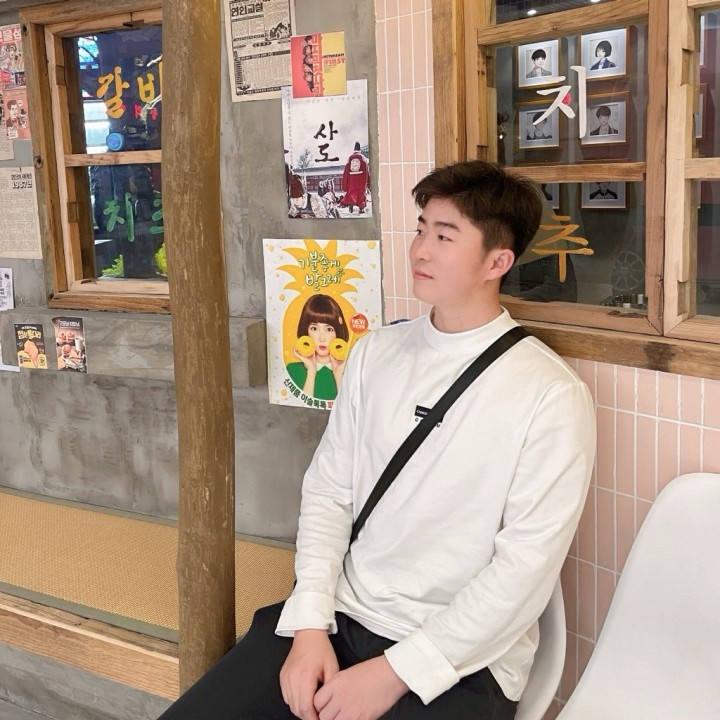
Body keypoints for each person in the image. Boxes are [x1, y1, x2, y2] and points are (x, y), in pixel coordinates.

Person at [157, 160, 595, 720]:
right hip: (342, 617)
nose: (420, 250)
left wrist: (395, 673)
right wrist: (310, 623)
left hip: (457, 660)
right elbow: (328, 493)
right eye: (420, 229)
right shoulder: (374, 354)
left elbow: (524, 573)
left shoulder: (550, 394)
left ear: (497, 262)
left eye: (445, 236)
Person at [286, 293, 349, 400]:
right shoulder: (292, 370)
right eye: (314, 329)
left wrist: (339, 375)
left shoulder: (351, 370)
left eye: (329, 329)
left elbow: (347, 407)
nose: (322, 338)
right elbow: (300, 406)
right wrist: (311, 371)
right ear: (306, 331)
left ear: (338, 332)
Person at [339, 142, 370, 214]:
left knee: (351, 192)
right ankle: (361, 209)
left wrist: (345, 182)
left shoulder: (350, 158)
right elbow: (366, 170)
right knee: (361, 193)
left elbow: (346, 171)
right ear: (360, 149)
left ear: (354, 149)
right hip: (361, 178)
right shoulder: (363, 158)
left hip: (352, 178)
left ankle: (351, 205)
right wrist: (367, 180)